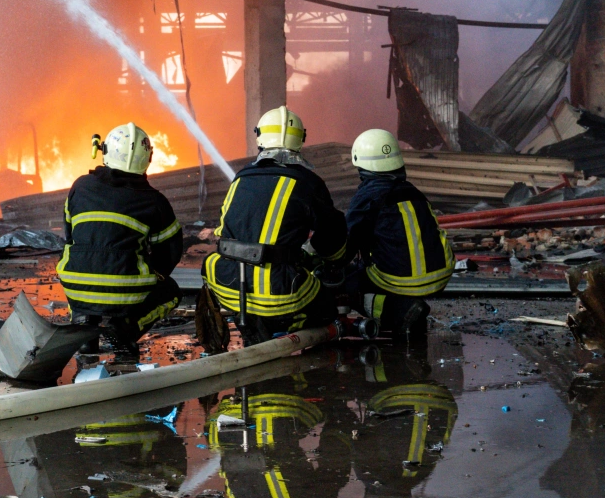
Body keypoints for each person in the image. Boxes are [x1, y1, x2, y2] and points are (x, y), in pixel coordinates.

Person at [202, 106, 348, 345]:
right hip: (280, 291)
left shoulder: (240, 178)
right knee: (327, 307)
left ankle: (257, 326)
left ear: (260, 137)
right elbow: (332, 237)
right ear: (301, 139)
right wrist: (330, 259)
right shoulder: (309, 183)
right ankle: (287, 330)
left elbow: (222, 232)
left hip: (229, 287)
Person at [57, 123, 183, 359]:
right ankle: (125, 329)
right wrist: (149, 275)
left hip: (75, 284)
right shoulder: (154, 201)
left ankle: (84, 328)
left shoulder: (79, 186)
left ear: (105, 151)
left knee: (82, 261)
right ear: (148, 158)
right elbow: (171, 252)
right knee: (172, 291)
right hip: (125, 290)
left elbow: (70, 236)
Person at [345, 129, 455, 339]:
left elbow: (346, 244)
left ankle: (400, 312)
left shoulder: (368, 195)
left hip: (403, 282)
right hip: (441, 276)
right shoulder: (414, 192)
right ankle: (403, 305)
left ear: (361, 163)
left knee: (343, 283)